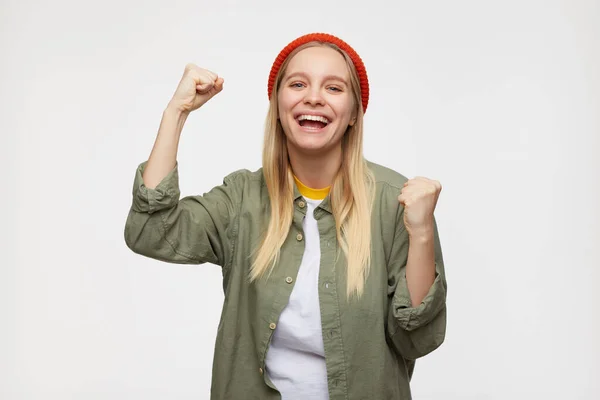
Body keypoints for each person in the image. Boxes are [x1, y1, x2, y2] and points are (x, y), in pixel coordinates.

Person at [124, 32, 447, 400]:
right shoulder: (242, 198)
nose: (313, 97)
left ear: (355, 112)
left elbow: (417, 338)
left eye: (334, 88)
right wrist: (175, 113)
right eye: (297, 84)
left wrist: (421, 234)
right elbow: (150, 230)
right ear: (278, 104)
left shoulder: (397, 202)